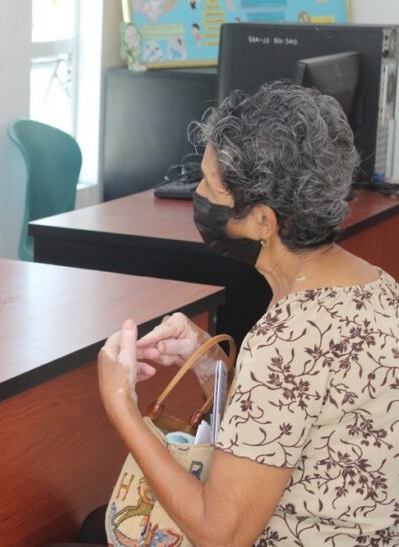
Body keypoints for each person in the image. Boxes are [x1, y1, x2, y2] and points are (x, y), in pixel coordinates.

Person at [93, 82, 397, 545]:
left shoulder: (288, 338)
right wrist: (210, 364)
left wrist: (121, 407)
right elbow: (290, 415)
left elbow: (221, 534)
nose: (197, 193)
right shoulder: (378, 286)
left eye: (209, 185)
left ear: (263, 222)